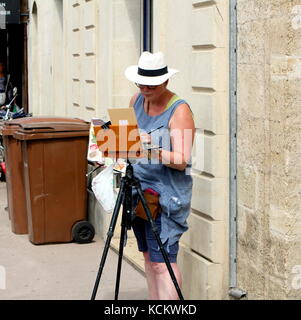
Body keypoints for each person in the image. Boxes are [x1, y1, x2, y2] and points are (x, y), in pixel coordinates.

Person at [124, 51, 195, 300]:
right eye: (141, 83)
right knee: (148, 257)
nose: (144, 88)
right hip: (137, 190)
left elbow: (182, 160)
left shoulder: (179, 110)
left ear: (165, 82)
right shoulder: (136, 100)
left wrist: (151, 147)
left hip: (164, 198)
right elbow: (129, 142)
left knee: (163, 261)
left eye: (151, 85)